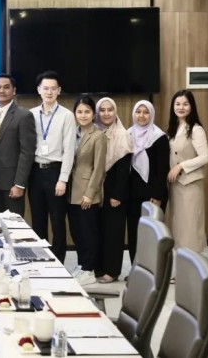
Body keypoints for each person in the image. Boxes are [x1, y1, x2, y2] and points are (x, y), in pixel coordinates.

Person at [28, 71, 76, 263]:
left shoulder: (67, 115)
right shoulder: (31, 114)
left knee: (57, 220)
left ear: (59, 91)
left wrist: (63, 179)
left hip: (56, 171)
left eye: (53, 89)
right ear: (39, 90)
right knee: (38, 219)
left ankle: (58, 262)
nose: (49, 92)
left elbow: (69, 150)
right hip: (35, 172)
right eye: (45, 88)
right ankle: (40, 260)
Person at [68, 95, 106, 286]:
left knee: (89, 233)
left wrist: (90, 194)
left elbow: (99, 168)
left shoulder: (98, 136)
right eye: (80, 112)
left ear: (93, 114)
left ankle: (89, 269)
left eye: (87, 112)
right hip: (71, 191)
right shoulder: (72, 133)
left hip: (87, 193)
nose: (83, 115)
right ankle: (82, 264)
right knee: (77, 232)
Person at [94, 97, 132, 283]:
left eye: (110, 110)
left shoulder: (122, 135)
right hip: (95, 188)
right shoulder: (93, 131)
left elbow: (124, 170)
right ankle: (99, 268)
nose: (106, 113)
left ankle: (112, 270)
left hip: (114, 190)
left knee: (113, 232)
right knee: (98, 230)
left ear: (115, 112)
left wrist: (117, 194)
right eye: (102, 110)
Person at [166, 90, 208, 253]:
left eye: (185, 104)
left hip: (190, 185)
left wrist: (181, 166)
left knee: (190, 228)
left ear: (192, 107)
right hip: (175, 186)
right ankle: (180, 265)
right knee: (179, 228)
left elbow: (205, 157)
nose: (181, 107)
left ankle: (191, 265)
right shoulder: (174, 128)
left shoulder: (196, 129)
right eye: (177, 104)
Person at [0, 74, 36, 216]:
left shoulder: (24, 115)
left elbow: (27, 152)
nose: (2, 91)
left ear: (14, 91)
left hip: (12, 183)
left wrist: (19, 184)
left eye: (6, 87)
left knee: (14, 224)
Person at [127, 100, 169, 262]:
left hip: (152, 195)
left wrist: (157, 196)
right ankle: (135, 268)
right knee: (134, 233)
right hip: (132, 194)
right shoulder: (128, 134)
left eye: (146, 112)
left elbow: (162, 170)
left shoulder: (159, 137)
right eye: (138, 112)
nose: (142, 116)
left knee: (151, 234)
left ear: (151, 114)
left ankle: (153, 270)